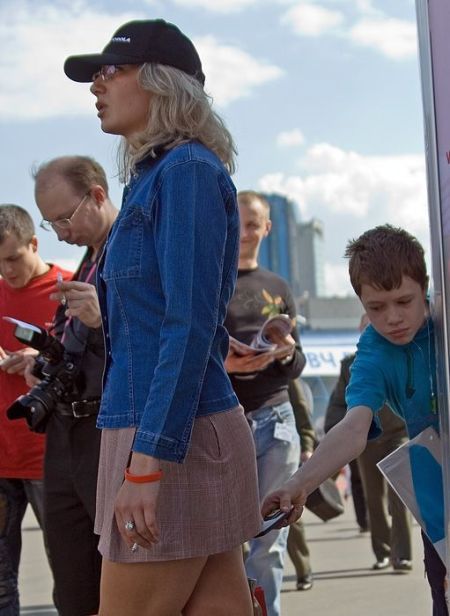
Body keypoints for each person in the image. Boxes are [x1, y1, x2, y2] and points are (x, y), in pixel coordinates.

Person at [63, 18, 261, 616]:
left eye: (108, 71)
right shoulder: (159, 176)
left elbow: (190, 325)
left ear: (158, 83)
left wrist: (146, 459)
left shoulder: (188, 173)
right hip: (164, 427)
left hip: (171, 435)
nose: (95, 85)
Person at [262, 224, 447, 615]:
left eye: (404, 301)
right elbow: (353, 427)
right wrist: (299, 483)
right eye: (376, 308)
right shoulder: (374, 350)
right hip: (440, 499)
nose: (393, 318)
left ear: (427, 286)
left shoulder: (443, 319)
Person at [31, 155, 118, 616]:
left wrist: (105, 320)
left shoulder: (136, 249)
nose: (61, 233)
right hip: (69, 431)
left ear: (98, 196)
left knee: (116, 578)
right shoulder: (88, 257)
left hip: (111, 431)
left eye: (65, 218)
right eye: (51, 224)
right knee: (71, 581)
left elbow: (173, 339)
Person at [224, 190, 305, 616]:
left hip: (276, 418)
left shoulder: (278, 286)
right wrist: (226, 364)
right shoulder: (210, 282)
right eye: (237, 222)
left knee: (270, 543)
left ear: (266, 228)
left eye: (253, 223)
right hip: (224, 423)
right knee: (222, 543)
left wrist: (287, 350)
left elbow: (298, 364)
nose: (244, 232)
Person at [0, 204, 71, 615]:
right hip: (3, 457)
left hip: (51, 458)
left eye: (13, 258)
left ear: (34, 243)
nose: (7, 271)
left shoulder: (69, 288)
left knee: (71, 576)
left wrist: (41, 355)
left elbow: (98, 359)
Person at [327, 314, 412, 572]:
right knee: (373, 497)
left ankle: (403, 555)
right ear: (360, 329)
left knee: (400, 496)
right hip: (366, 438)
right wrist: (333, 433)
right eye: (367, 326)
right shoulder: (350, 365)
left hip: (398, 434)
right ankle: (383, 552)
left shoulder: (402, 355)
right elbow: (339, 403)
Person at [324, 368, 369, 535]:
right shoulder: (349, 369)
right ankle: (364, 521)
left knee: (374, 483)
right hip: (354, 434)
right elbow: (336, 407)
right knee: (357, 480)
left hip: (381, 433)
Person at [286, 378, 315, 591]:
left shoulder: (279, 359)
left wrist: (306, 445)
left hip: (283, 444)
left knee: (286, 509)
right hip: (244, 446)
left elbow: (301, 410)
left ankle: (303, 570)